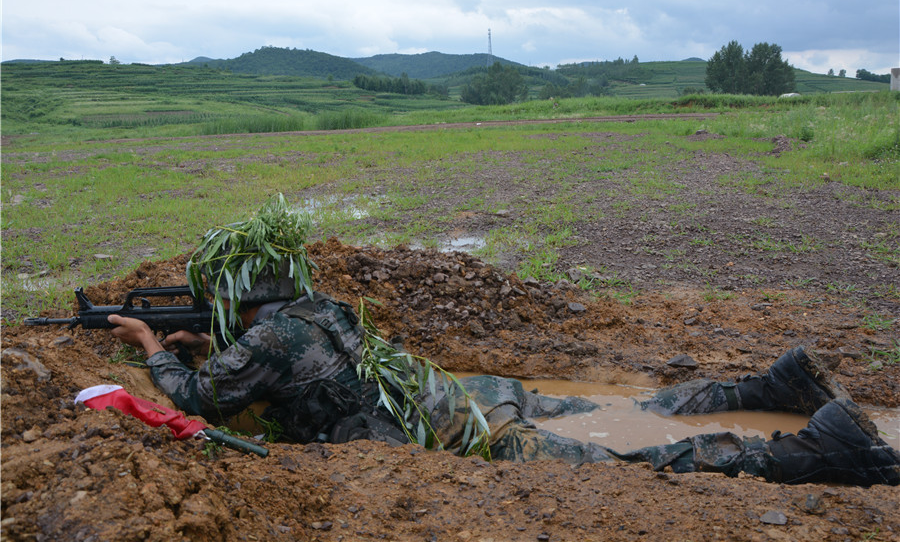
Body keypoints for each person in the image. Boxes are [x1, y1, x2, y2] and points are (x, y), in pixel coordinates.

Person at [108, 200, 899, 487]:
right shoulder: (317, 309)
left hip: (468, 438)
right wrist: (209, 342)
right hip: (465, 393)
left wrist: (155, 347)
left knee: (632, 463)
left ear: (237, 297)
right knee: (618, 408)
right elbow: (288, 366)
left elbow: (196, 400)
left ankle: (812, 456)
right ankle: (767, 391)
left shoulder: (267, 339)